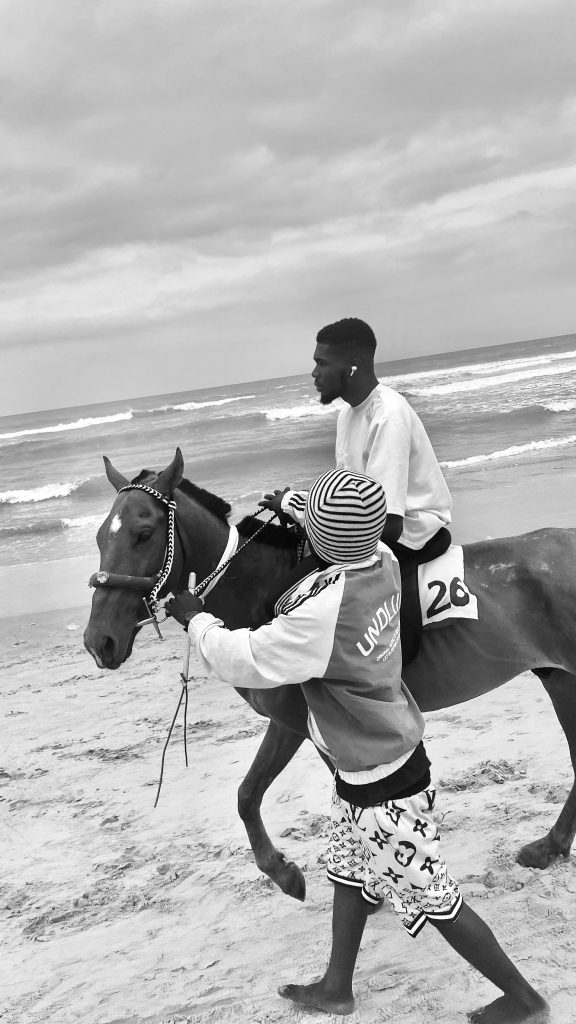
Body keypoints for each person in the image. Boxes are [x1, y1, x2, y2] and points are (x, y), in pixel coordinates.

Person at [165, 469, 548, 1024]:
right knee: (350, 868)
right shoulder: (383, 562)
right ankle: (336, 987)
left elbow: (242, 657)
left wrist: (195, 618)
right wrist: (300, 510)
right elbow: (346, 535)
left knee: (434, 898)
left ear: (321, 540)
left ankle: (525, 1000)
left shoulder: (321, 615)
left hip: (383, 783)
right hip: (375, 762)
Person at [262, 317, 452, 565]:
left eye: (322, 363)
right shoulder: (347, 414)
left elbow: (388, 522)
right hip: (375, 532)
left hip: (411, 537)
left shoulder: (388, 417)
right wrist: (302, 500)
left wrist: (298, 508)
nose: (314, 373)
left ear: (353, 365)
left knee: (282, 596)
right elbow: (350, 496)